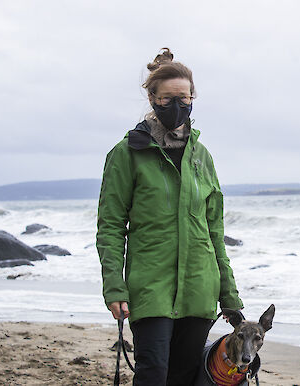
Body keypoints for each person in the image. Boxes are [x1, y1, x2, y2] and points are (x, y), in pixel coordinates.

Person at [96, 48, 243, 385]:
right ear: (152, 98)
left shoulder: (201, 157)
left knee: (183, 376)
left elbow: (214, 233)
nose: (177, 105)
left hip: (199, 288)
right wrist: (114, 288)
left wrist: (229, 295)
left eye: (184, 98)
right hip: (150, 288)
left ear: (193, 99)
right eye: (168, 98)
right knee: (153, 374)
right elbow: (110, 227)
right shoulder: (126, 154)